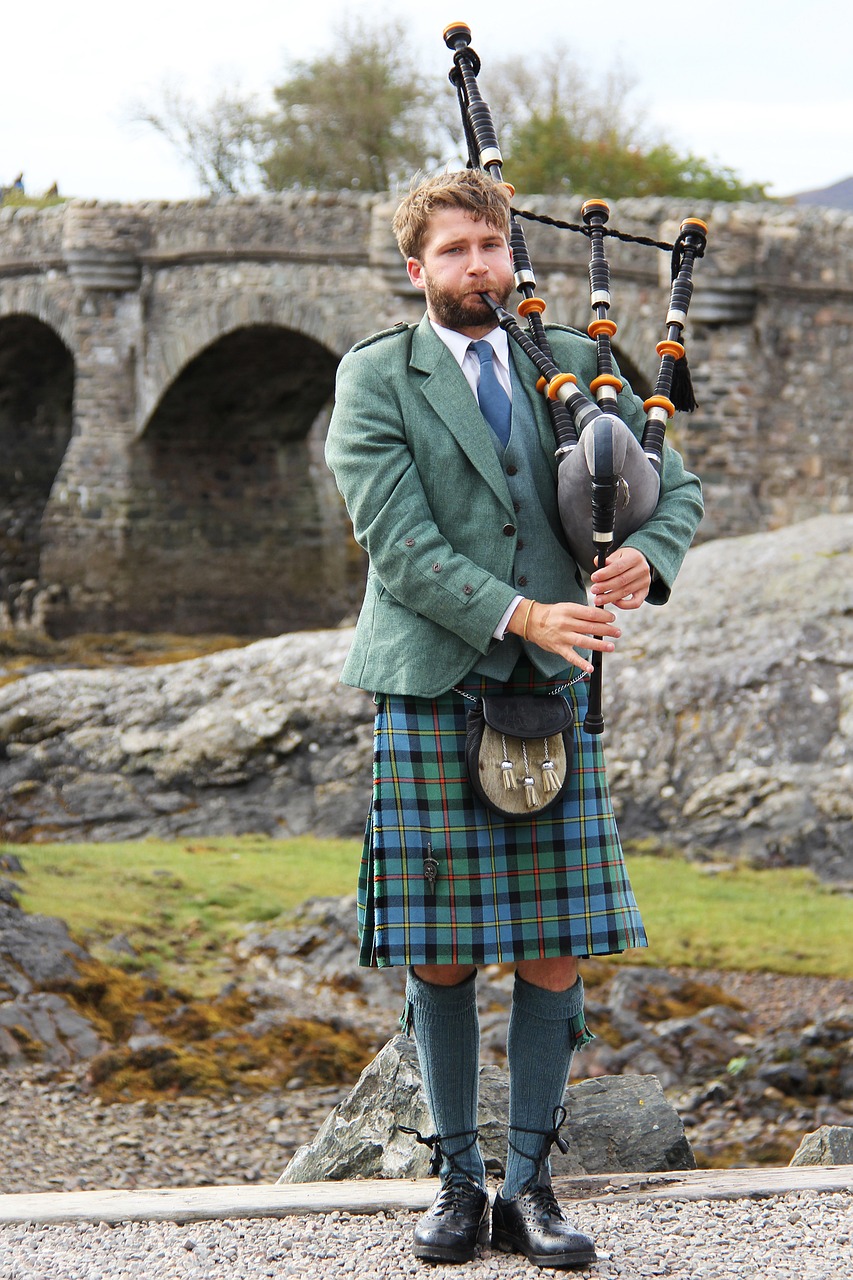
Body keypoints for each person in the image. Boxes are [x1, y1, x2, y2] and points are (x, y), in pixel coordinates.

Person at [325, 169, 703, 1269]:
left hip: (549, 693)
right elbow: (396, 544)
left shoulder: (574, 366)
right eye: (452, 252)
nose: (477, 268)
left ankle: (531, 1187)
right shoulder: (377, 379)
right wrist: (523, 608)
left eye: (489, 246)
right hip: (433, 684)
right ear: (415, 269)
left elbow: (674, 486)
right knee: (440, 956)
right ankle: (454, 1183)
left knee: (550, 950)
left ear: (510, 254)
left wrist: (649, 550)